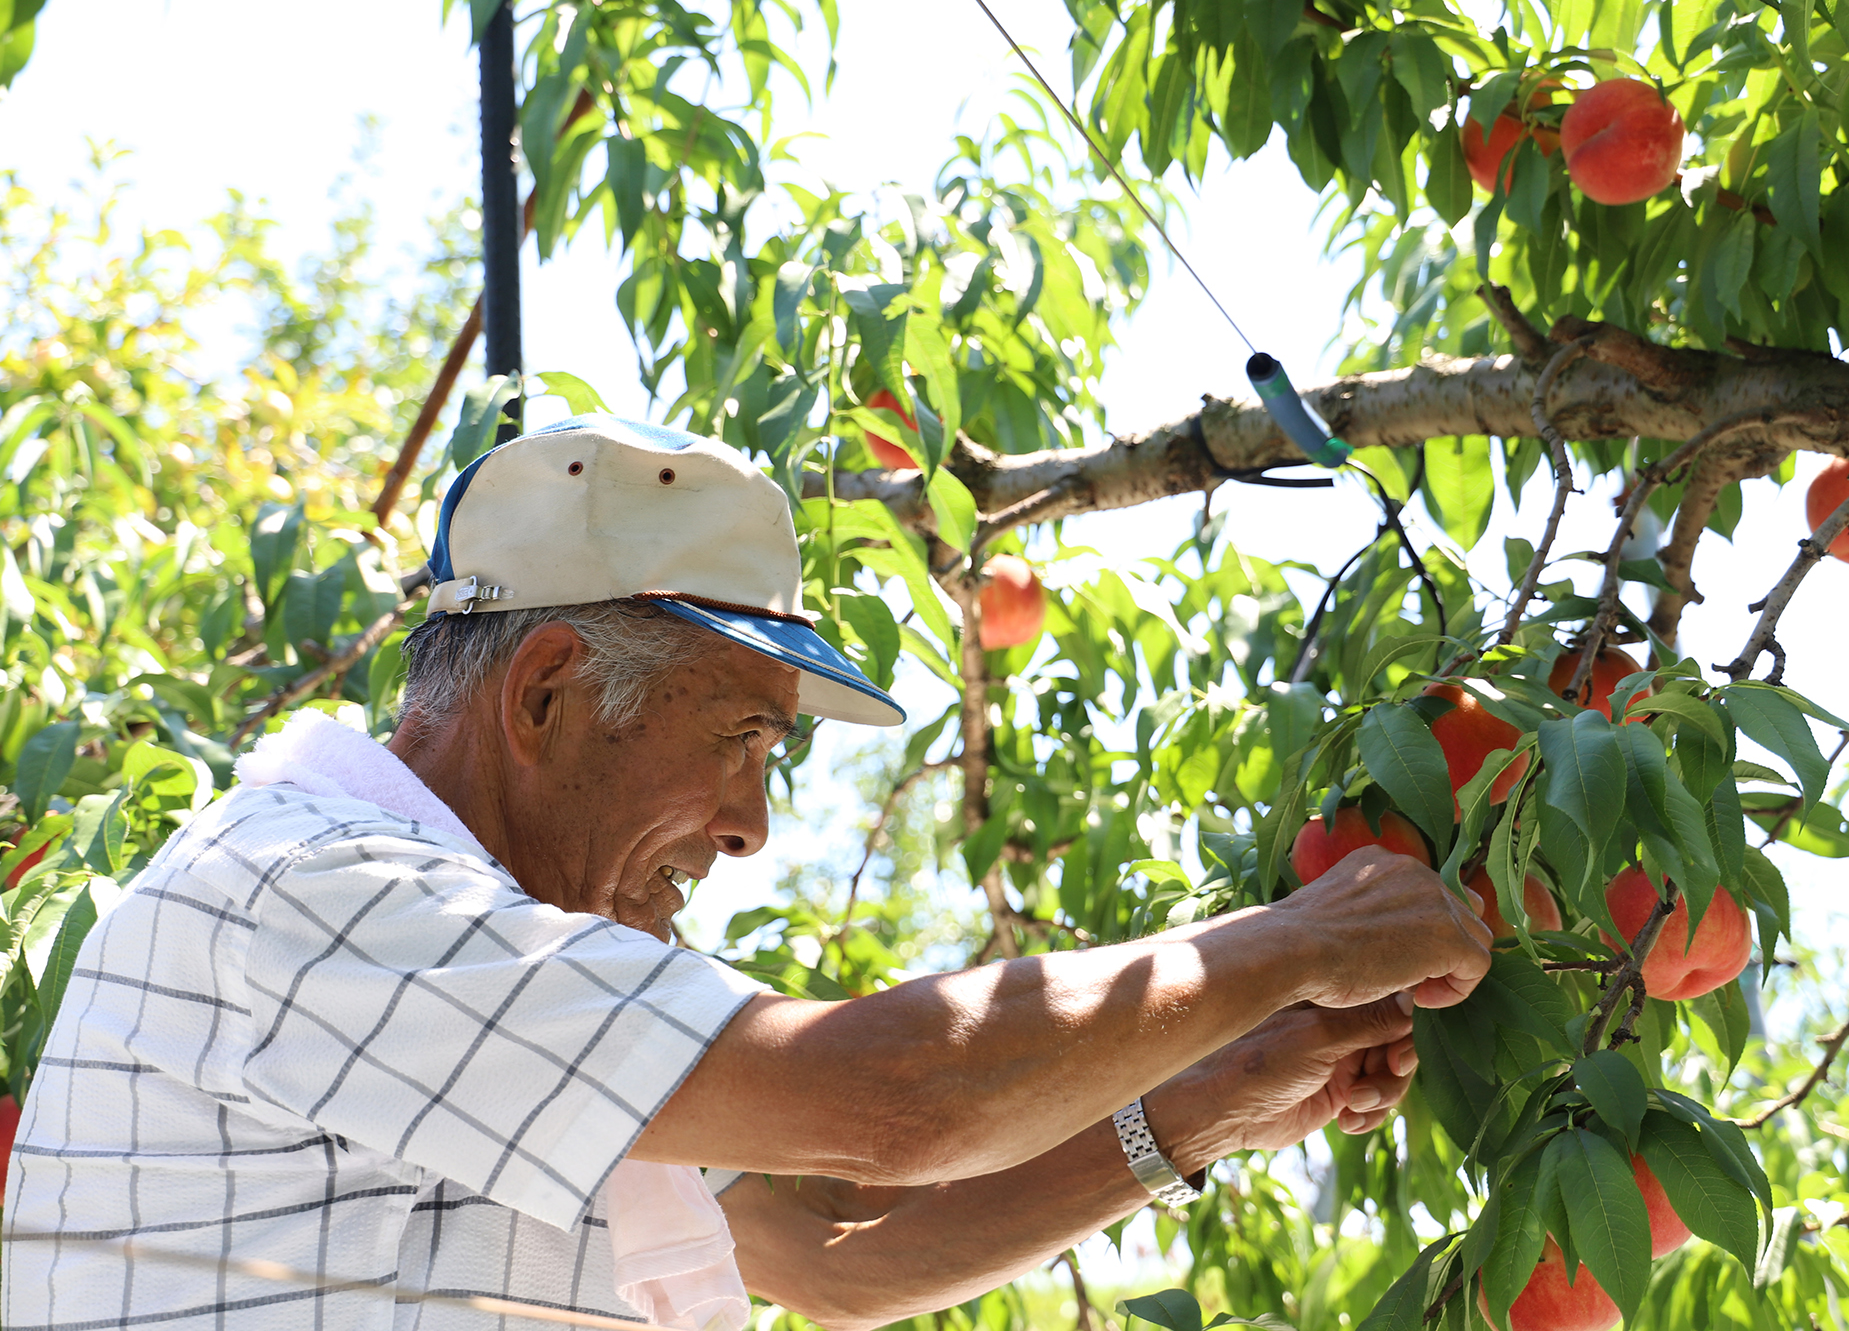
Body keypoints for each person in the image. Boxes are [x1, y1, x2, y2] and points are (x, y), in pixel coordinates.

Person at [2, 416, 1492, 1331]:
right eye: (739, 741)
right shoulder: (316, 893)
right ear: (544, 692)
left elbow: (839, 1256)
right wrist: (1295, 940)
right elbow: (891, 1102)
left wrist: (1219, 1098)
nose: (751, 828)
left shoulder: (485, 980)